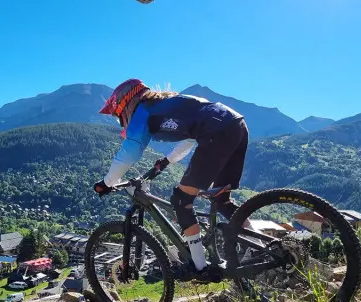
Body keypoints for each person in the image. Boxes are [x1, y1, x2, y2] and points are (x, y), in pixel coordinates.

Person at [93, 79, 249, 282]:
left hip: (217, 133)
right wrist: (166, 161)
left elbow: (130, 152)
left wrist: (107, 182)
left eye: (117, 116)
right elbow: (191, 139)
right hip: (236, 125)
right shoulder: (168, 104)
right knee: (222, 200)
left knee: (181, 201)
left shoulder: (143, 112)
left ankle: (201, 268)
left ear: (124, 105)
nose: (120, 120)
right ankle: (259, 248)